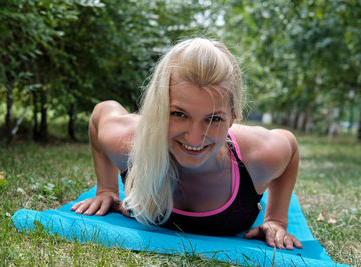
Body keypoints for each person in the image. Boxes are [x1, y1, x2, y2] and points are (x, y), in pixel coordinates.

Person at [71, 38, 303, 250]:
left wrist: (276, 219)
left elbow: (290, 147)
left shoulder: (261, 156)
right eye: (178, 114)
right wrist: (107, 189)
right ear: (157, 110)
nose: (194, 138)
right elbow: (101, 112)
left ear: (233, 116)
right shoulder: (126, 143)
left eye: (213, 119)